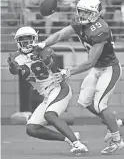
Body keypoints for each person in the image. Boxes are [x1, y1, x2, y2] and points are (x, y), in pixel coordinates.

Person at [29, 0, 124, 154]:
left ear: (95, 13)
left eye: (86, 12)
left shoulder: (100, 29)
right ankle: (114, 122)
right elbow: (60, 34)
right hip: (97, 69)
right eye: (80, 11)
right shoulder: (79, 23)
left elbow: (90, 62)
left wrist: (68, 72)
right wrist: (43, 43)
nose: (81, 15)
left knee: (100, 104)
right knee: (85, 103)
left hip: (109, 68)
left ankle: (117, 139)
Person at [7, 26, 88, 155]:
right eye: (23, 40)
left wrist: (44, 59)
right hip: (47, 95)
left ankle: (78, 144)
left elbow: (52, 64)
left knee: (50, 115)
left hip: (59, 89)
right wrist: (12, 66)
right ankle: (69, 137)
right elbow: (15, 71)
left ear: (35, 40)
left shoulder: (44, 50)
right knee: (31, 128)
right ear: (18, 42)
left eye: (28, 40)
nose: (26, 43)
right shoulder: (15, 57)